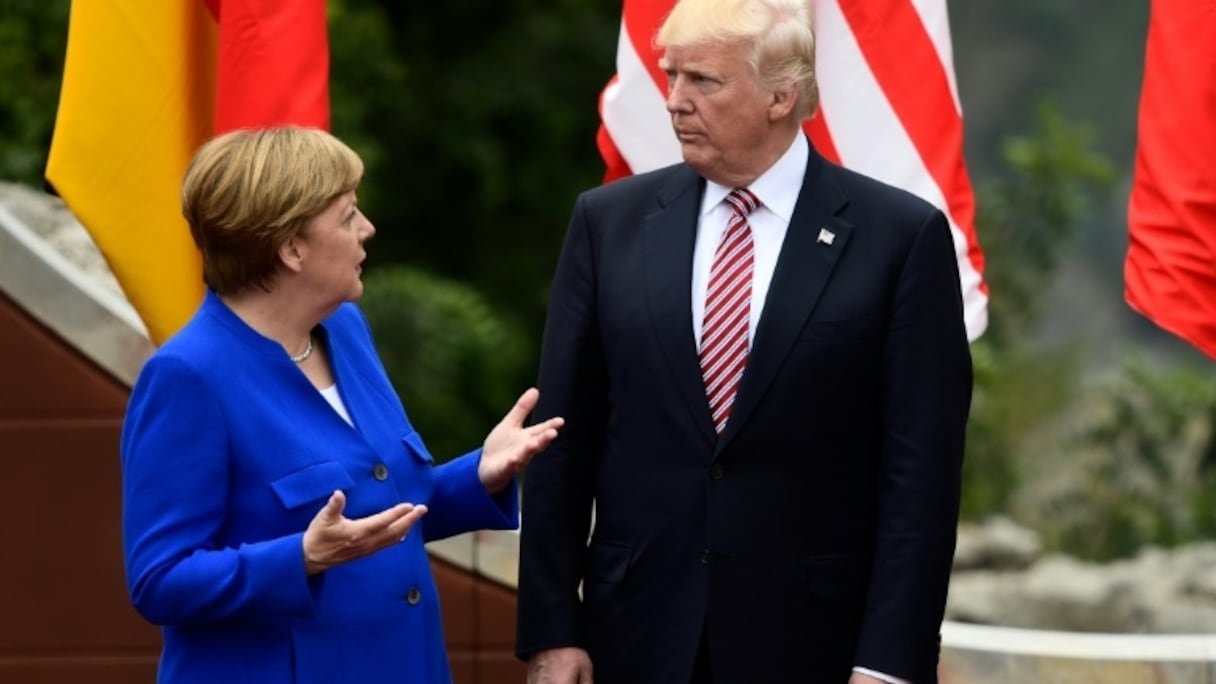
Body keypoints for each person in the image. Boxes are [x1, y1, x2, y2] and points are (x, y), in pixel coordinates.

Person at [515, 0, 972, 681]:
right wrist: (552, 630)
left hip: (816, 644)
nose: (674, 102)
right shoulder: (608, 222)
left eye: (703, 81)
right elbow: (561, 440)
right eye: (671, 76)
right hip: (635, 637)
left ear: (781, 96)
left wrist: (890, 664)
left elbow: (920, 478)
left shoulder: (899, 239)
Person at [121, 126, 563, 684]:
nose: (367, 230)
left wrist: (481, 474)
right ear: (291, 248)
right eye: (348, 215)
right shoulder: (187, 377)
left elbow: (379, 513)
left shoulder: (342, 328)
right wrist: (300, 557)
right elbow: (159, 580)